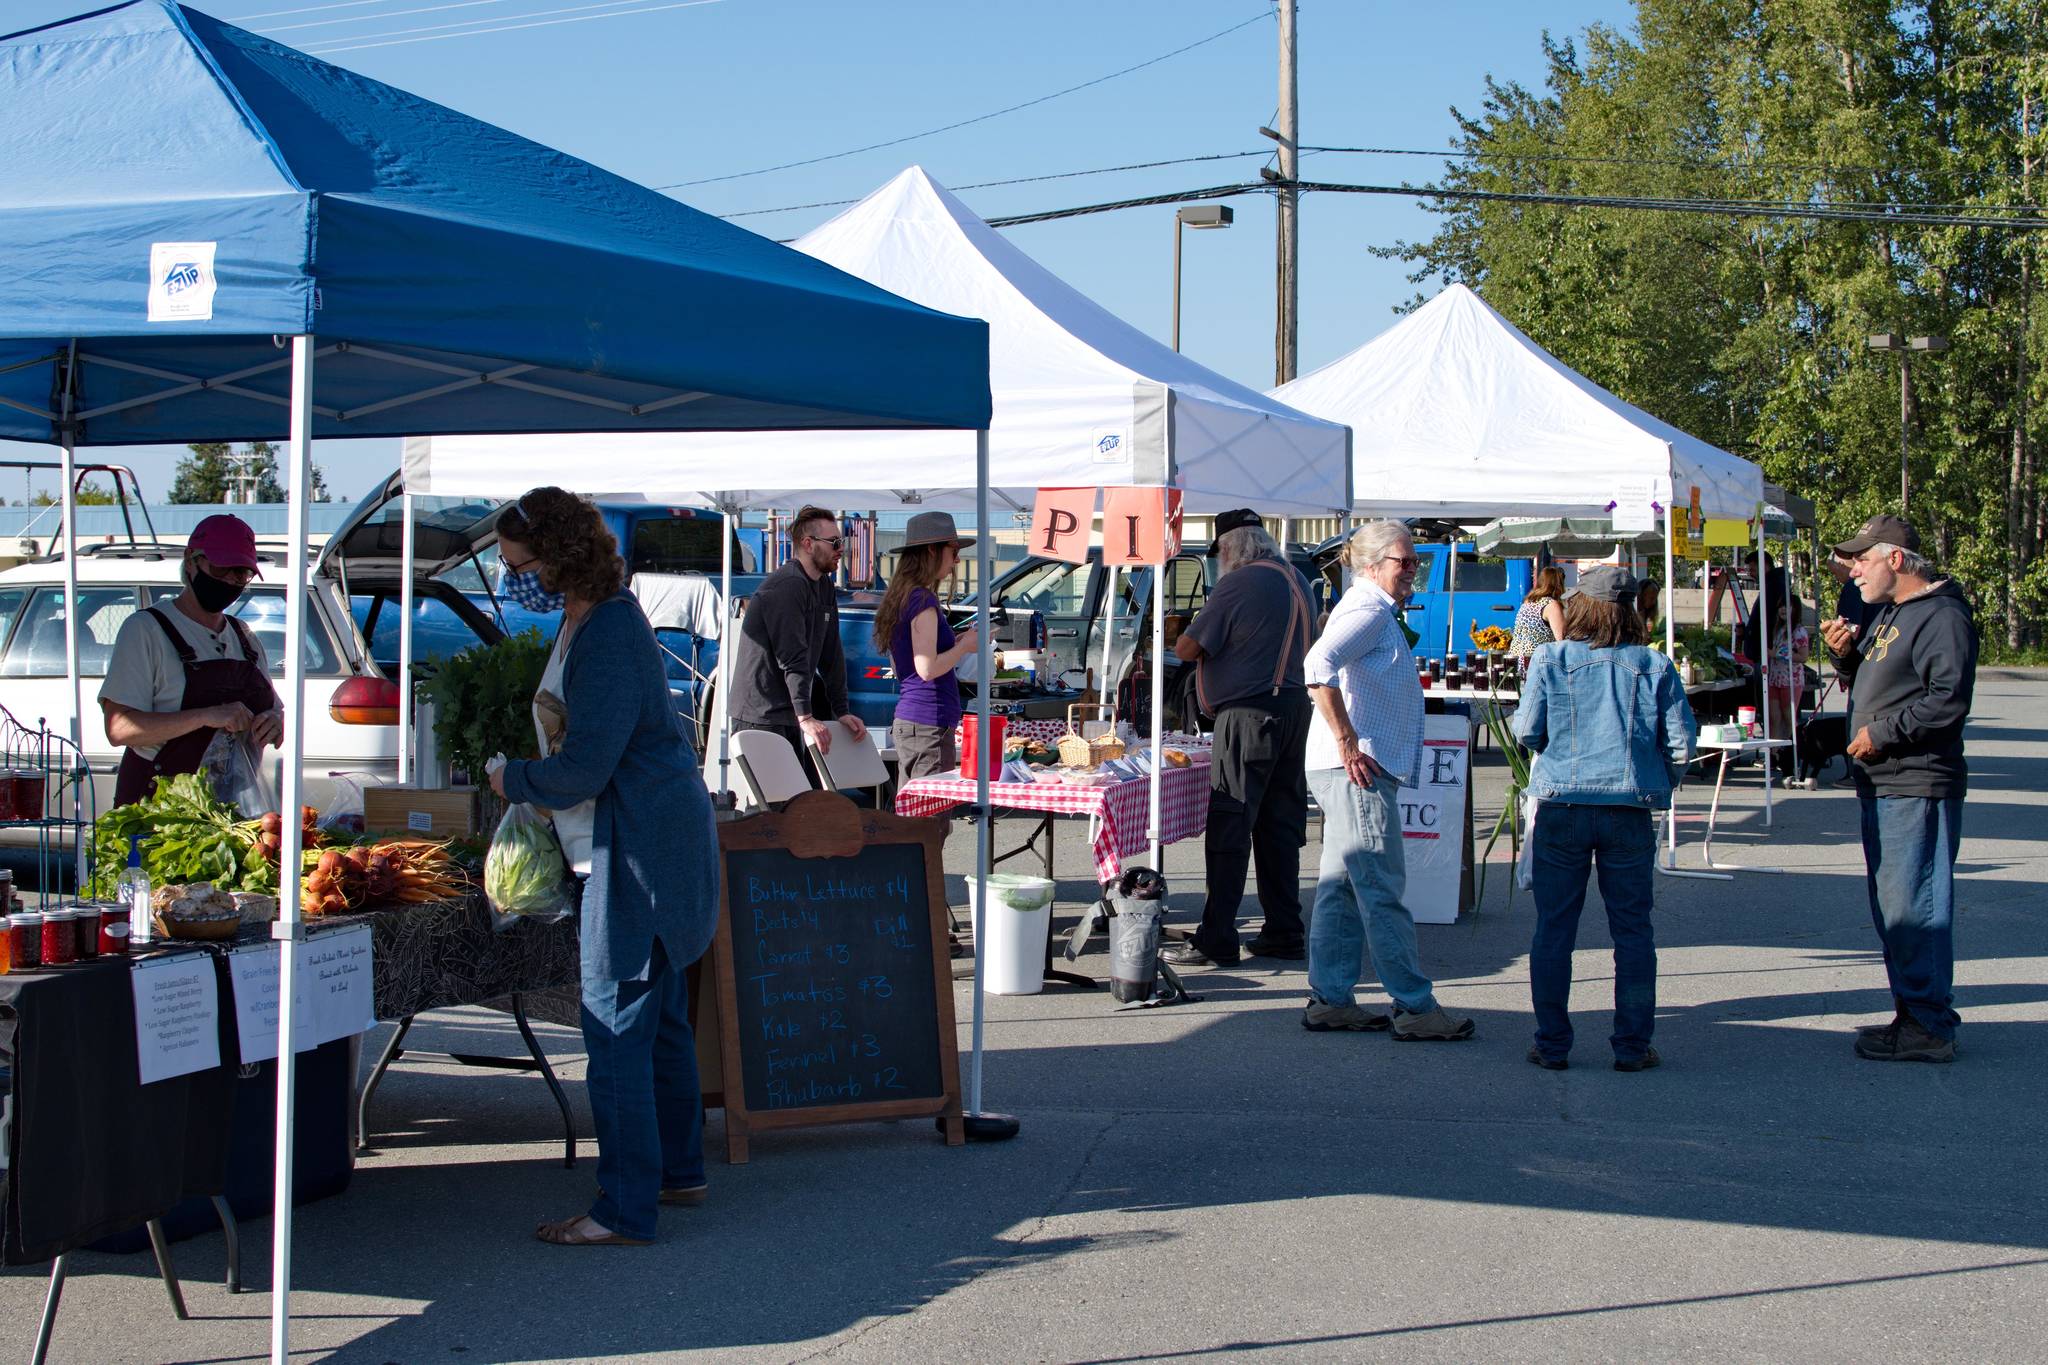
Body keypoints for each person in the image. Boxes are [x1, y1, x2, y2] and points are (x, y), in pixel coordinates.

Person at [488, 488, 719, 1246]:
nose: (507, 572)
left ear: (556, 557)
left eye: (517, 561)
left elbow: (585, 766)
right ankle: (678, 1172)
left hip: (638, 852)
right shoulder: (587, 619)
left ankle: (622, 1208)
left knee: (615, 1021)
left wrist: (512, 779)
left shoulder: (610, 631)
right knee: (659, 1024)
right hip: (643, 841)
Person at [1513, 566, 1694, 1072]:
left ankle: (1552, 1044)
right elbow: (1679, 743)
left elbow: (1528, 730)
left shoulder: (1551, 658)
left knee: (1554, 930)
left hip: (1563, 804)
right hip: (1628, 808)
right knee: (1633, 932)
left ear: (1581, 607)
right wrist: (1658, 780)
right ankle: (1632, 1046)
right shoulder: (1653, 664)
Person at [1299, 521, 1474, 1041]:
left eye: (1415, 561)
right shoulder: (1368, 608)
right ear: (1373, 566)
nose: (1413, 571)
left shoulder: (1371, 608)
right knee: (1380, 889)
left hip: (1351, 766)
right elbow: (1317, 665)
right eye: (1406, 561)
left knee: (1343, 887)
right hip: (1357, 767)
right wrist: (1348, 740)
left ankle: (1331, 999)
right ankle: (1415, 1006)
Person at [1820, 515, 1978, 1064]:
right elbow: (1883, 679)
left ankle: (1930, 1025)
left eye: (1861, 558)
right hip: (1884, 781)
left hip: (1916, 781)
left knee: (1916, 909)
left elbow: (1947, 700)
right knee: (1894, 910)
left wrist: (1881, 732)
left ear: (1895, 559)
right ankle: (1912, 1015)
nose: (1852, 568)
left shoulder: (1943, 615)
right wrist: (1844, 655)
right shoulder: (1894, 612)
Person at [1163, 510, 1315, 966]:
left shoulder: (1239, 583)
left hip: (1250, 715)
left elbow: (1188, 649)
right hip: (1293, 707)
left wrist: (1181, 630)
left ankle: (1218, 936)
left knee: (1231, 823)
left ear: (1229, 549)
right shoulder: (1296, 579)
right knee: (1280, 827)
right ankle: (1284, 930)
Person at [100, 514, 283, 806]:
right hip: (159, 813)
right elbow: (119, 728)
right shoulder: (146, 630)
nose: (229, 580)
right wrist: (206, 716)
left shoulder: (244, 637)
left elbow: (275, 710)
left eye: (240, 573)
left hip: (231, 809)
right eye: (220, 568)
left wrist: (275, 721)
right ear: (190, 560)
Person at [729, 504, 867, 758]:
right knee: (779, 798)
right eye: (835, 542)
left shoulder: (823, 585)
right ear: (807, 543)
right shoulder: (789, 585)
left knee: (805, 796)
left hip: (792, 713)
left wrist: (842, 710)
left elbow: (831, 653)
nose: (841, 549)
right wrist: (805, 716)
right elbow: (793, 656)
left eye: (842, 542)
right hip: (762, 714)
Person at [873, 512, 978, 782]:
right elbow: (927, 668)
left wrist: (954, 644)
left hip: (917, 723)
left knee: (917, 819)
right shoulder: (922, 599)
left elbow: (906, 664)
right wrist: (964, 646)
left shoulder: (904, 596)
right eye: (953, 550)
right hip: (927, 724)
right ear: (932, 550)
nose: (956, 560)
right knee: (930, 822)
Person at [1508, 565, 1567, 669]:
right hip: (1534, 664)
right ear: (1558, 584)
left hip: (1515, 662)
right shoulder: (1551, 605)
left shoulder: (1528, 602)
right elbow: (1562, 641)